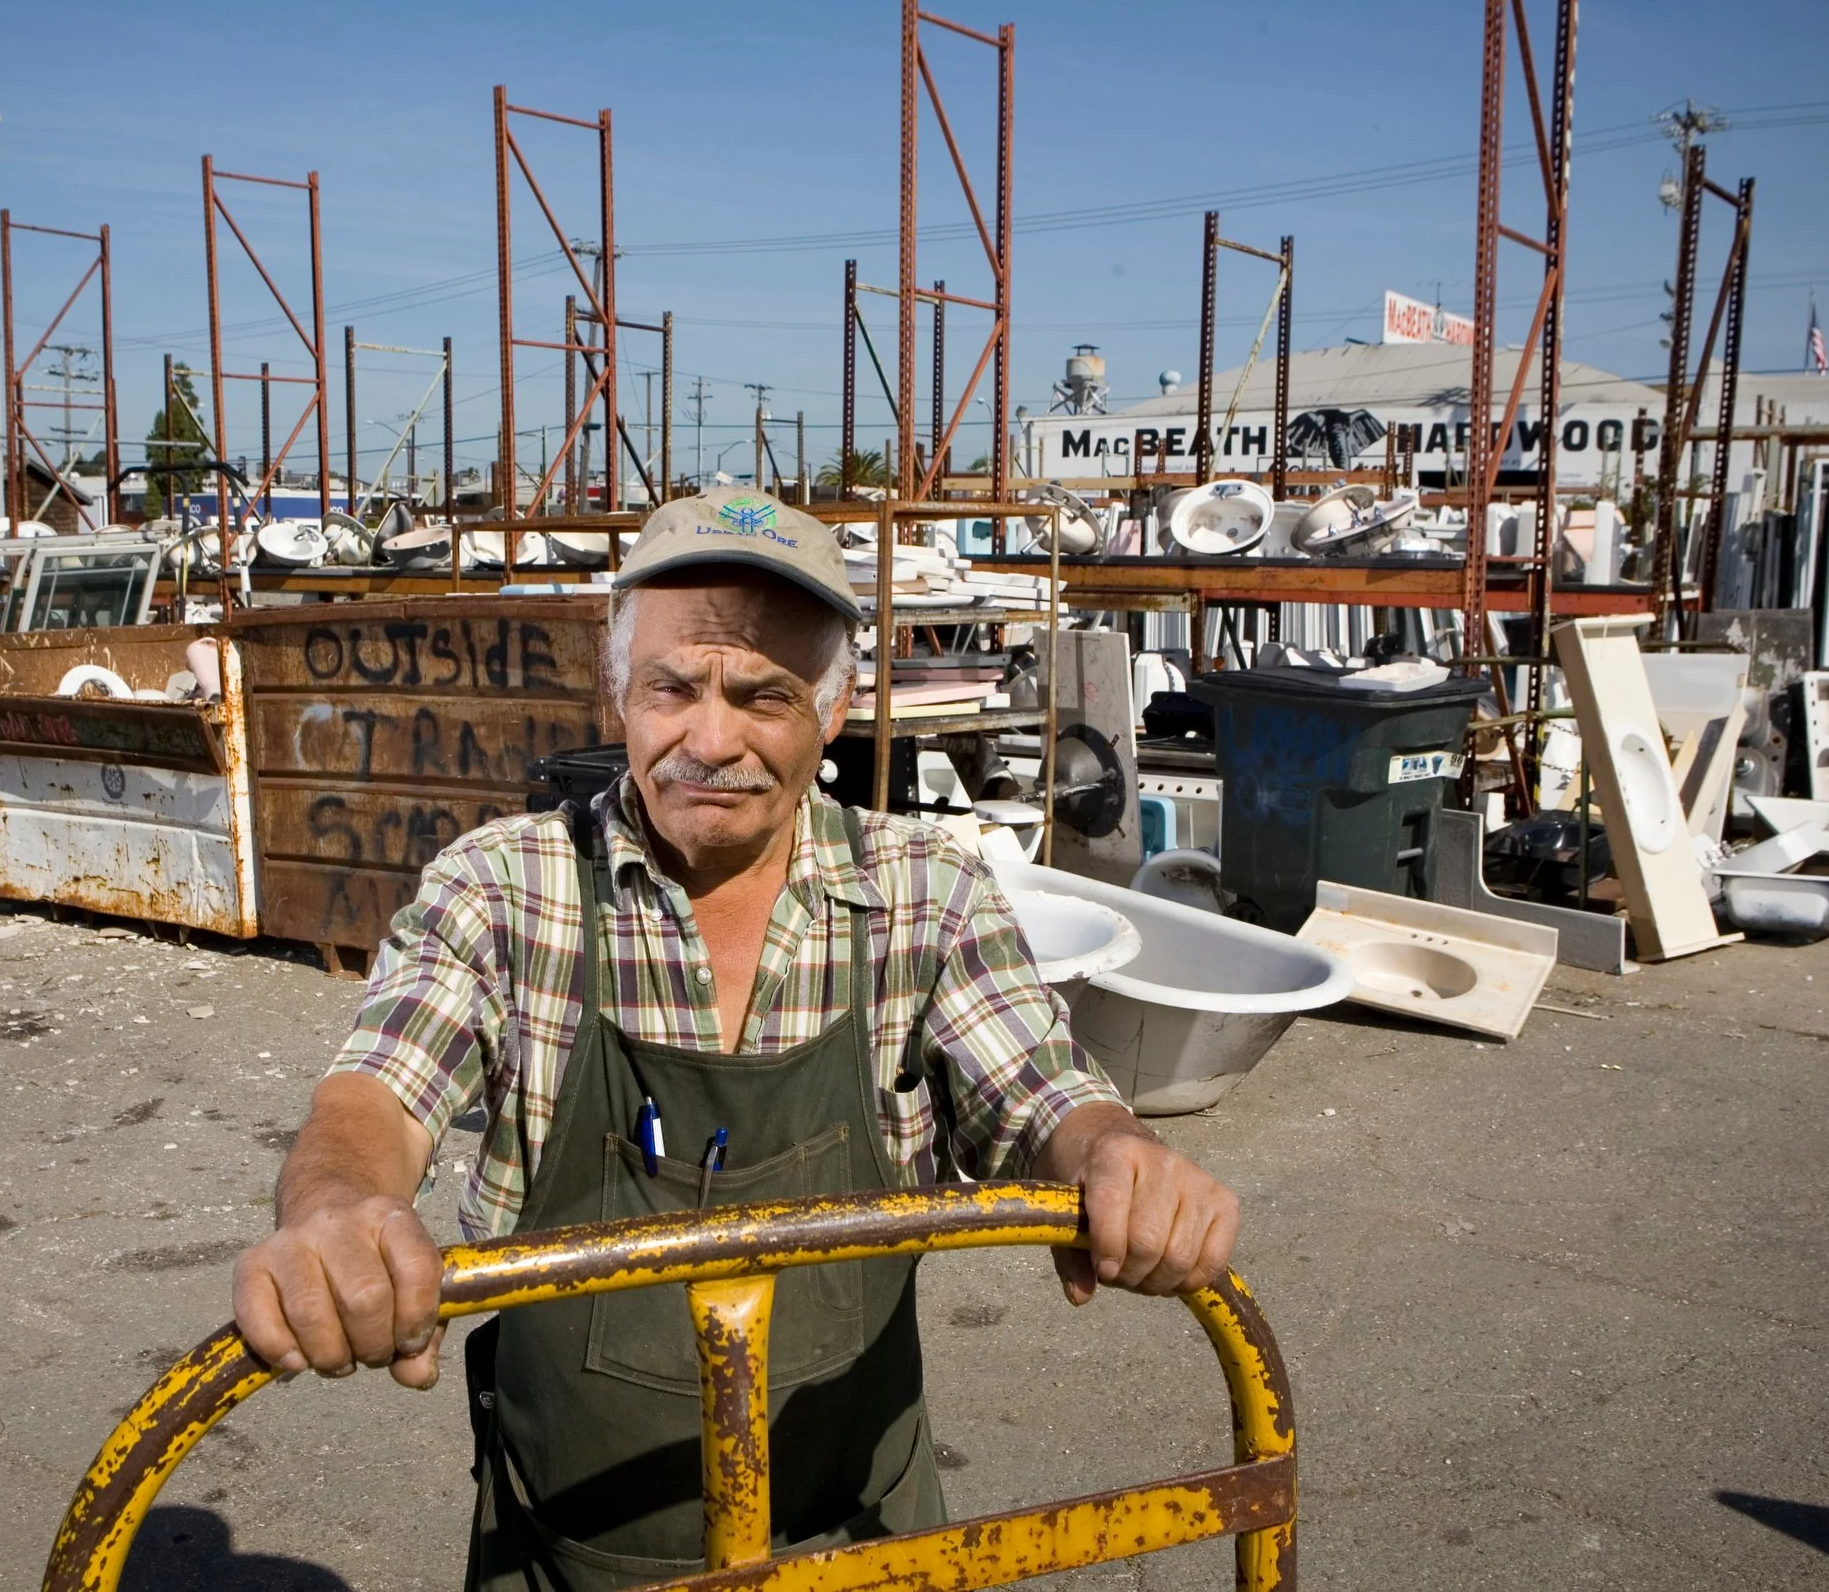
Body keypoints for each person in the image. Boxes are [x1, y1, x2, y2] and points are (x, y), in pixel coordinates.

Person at [233, 489, 1239, 1592]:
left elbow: (1042, 1093)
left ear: (836, 707)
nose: (710, 741)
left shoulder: (924, 893)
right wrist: (336, 1210)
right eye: (673, 687)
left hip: (863, 1551)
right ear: (617, 688)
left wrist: (1111, 1151)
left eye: (762, 695)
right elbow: (373, 1095)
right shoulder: (503, 888)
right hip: (578, 1559)